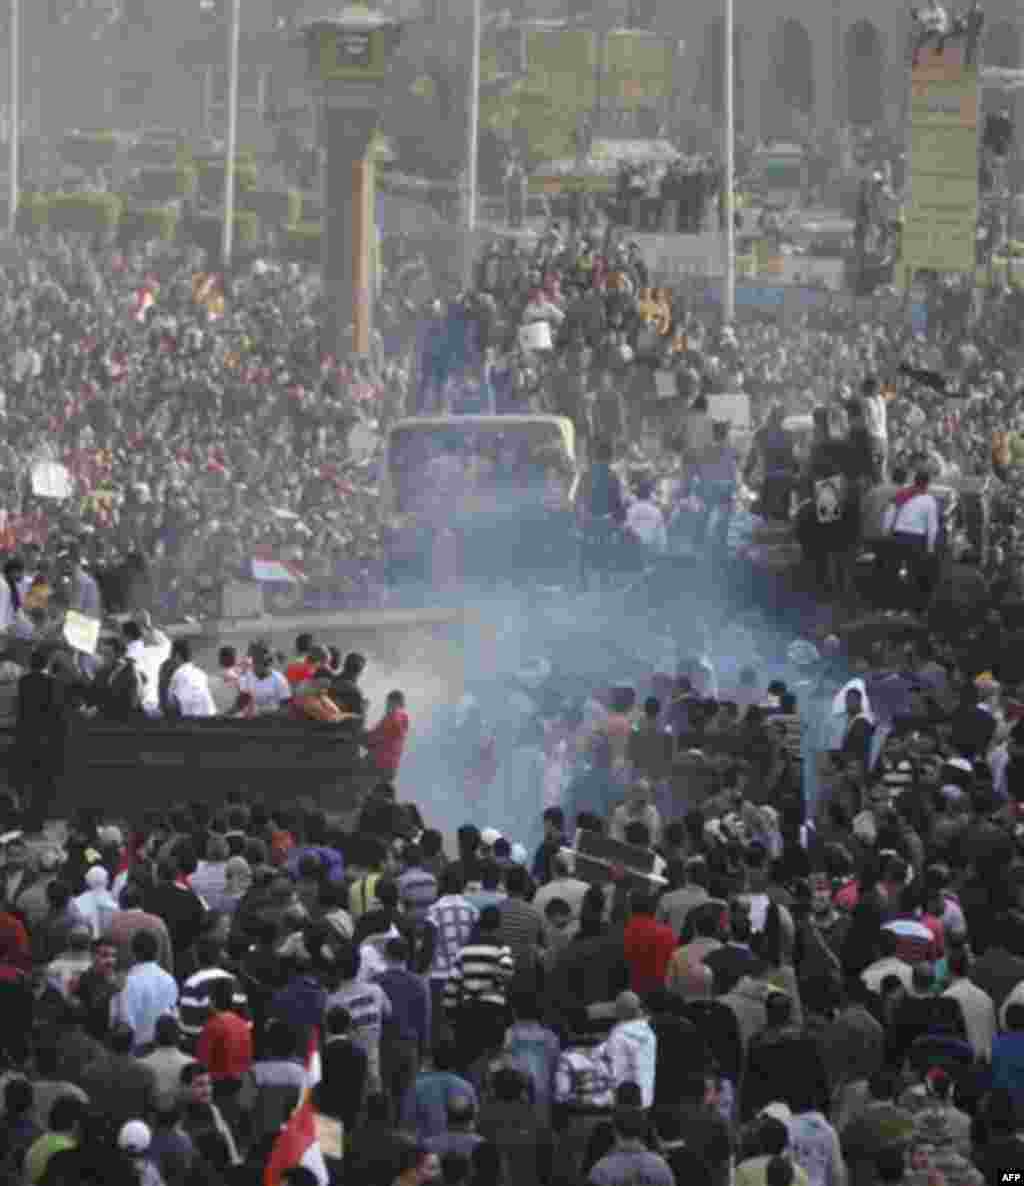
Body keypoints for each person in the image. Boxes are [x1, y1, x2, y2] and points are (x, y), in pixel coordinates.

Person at [15, 649, 67, 833]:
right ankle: (37, 821)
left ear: (30, 664)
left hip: (26, 740)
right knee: (42, 785)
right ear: (46, 664)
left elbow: (20, 712)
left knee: (26, 783)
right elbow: (58, 714)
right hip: (47, 742)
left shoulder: (23, 682)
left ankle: (26, 820)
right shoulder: (53, 683)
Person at [883, 469, 940, 615]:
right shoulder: (929, 500)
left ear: (915, 481)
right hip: (916, 540)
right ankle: (908, 609)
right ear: (927, 484)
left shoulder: (903, 494)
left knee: (895, 573)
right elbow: (932, 527)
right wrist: (930, 547)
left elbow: (889, 512)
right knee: (913, 575)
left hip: (898, 536)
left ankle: (892, 607)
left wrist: (886, 532)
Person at [166, 638, 217, 718]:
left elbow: (170, 702)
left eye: (171, 655)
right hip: (211, 715)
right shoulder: (201, 673)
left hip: (191, 720)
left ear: (177, 655)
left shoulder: (177, 675)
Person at [366, 691, 411, 780]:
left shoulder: (396, 714)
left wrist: (363, 737)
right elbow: (378, 735)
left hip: (378, 763)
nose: (387, 705)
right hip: (389, 767)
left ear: (396, 702)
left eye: (389, 702)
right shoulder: (398, 717)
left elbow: (379, 734)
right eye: (387, 703)